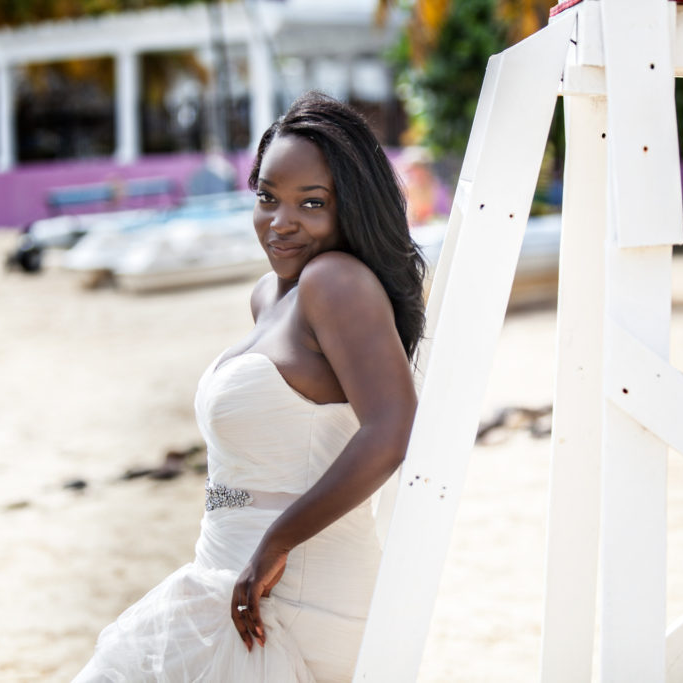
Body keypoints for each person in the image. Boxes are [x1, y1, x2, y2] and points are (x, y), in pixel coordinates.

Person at [73, 92, 426, 682]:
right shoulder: (269, 295)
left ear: (350, 208)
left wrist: (276, 542)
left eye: (311, 203)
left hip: (299, 594)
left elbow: (393, 428)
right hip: (229, 575)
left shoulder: (335, 281)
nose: (279, 222)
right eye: (266, 196)